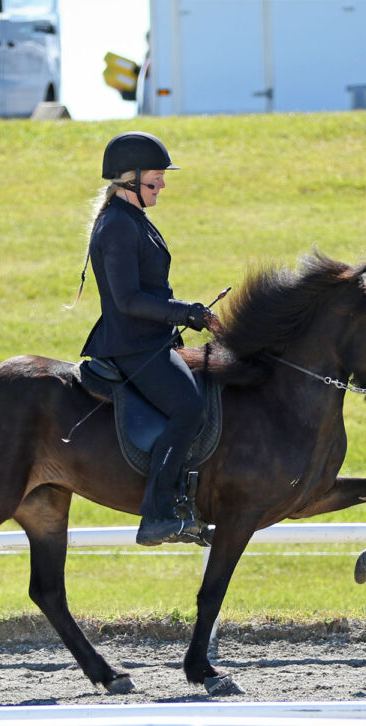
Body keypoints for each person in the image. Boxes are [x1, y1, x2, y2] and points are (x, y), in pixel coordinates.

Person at [78, 131, 220, 546]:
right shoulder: (118, 226)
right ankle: (157, 514)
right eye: (155, 179)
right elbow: (127, 300)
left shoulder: (133, 220)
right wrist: (187, 313)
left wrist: (185, 314)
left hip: (150, 339)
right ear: (129, 180)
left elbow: (151, 292)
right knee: (188, 408)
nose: (162, 186)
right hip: (131, 345)